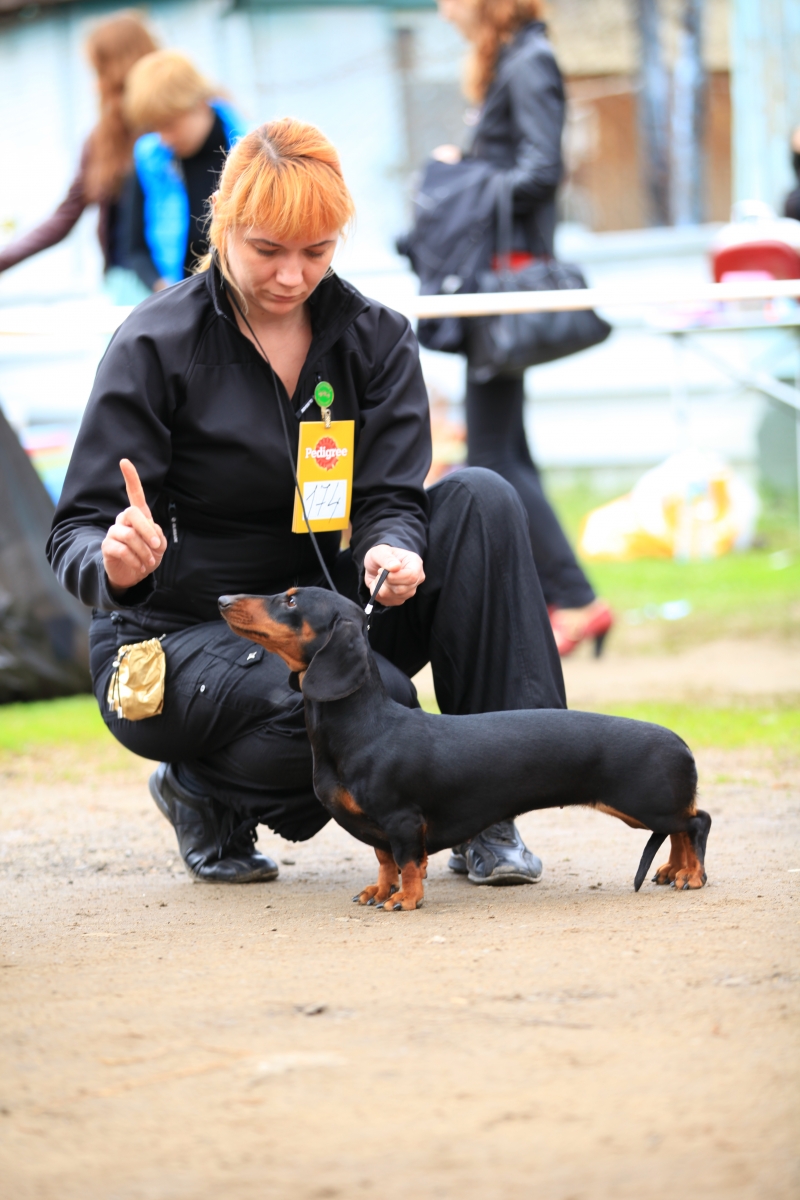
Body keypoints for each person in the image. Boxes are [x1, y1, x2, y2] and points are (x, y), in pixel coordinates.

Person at [47, 118, 565, 889]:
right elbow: (77, 531)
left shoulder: (376, 337)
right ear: (224, 227)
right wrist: (115, 563)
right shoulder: (154, 342)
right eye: (267, 250)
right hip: (175, 634)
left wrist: (394, 544)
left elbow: (391, 495)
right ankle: (201, 789)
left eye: (316, 253)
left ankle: (488, 809)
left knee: (481, 499)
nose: (292, 276)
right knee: (371, 699)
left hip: (323, 621)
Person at [436, 0, 613, 656]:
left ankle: (573, 597)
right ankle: (558, 598)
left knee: (490, 457)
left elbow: (542, 171)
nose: (441, 7)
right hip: (492, 281)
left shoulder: (530, 61)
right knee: (509, 449)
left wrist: (463, 185)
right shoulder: (511, 60)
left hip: (504, 287)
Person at [0, 12, 157, 300]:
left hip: (171, 283)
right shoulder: (100, 141)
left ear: (119, 71)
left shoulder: (171, 129)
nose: (94, 85)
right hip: (121, 286)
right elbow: (64, 218)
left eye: (99, 73)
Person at [122, 50, 246, 291]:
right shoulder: (150, 157)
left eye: (169, 125)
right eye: (156, 127)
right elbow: (135, 248)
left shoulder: (252, 150)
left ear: (200, 104)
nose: (164, 138)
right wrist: (167, 293)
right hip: (180, 300)